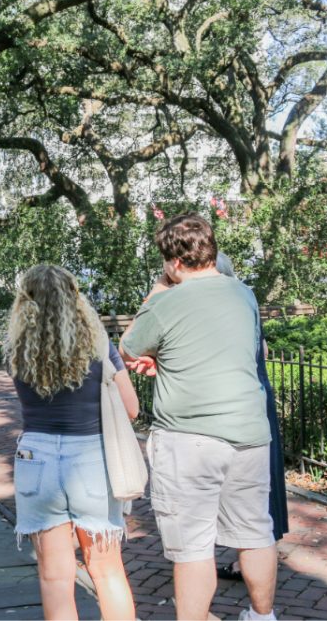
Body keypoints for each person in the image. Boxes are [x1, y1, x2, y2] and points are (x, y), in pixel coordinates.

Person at [120, 214, 278, 621]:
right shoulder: (244, 294)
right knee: (255, 532)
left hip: (189, 438)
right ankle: (262, 616)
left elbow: (128, 346)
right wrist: (165, 359)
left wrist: (157, 293)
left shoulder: (167, 300)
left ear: (172, 261)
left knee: (192, 547)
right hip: (249, 433)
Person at [5, 265, 138, 621]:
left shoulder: (17, 350)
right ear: (75, 298)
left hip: (36, 460)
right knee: (107, 571)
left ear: (25, 301)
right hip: (91, 459)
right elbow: (132, 408)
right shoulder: (98, 346)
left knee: (54, 576)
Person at [213, 253, 290, 581]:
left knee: (239, 486)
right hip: (258, 395)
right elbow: (264, 349)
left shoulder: (216, 305)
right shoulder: (246, 300)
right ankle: (258, 554)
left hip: (235, 401)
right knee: (261, 480)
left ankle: (250, 559)